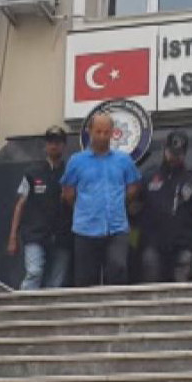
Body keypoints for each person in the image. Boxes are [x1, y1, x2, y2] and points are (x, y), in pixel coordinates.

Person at [61, 112, 141, 287]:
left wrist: (121, 203)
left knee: (118, 269)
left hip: (116, 228)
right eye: (98, 132)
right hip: (85, 229)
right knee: (86, 279)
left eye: (106, 132)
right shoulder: (76, 161)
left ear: (112, 133)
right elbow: (67, 192)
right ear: (89, 131)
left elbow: (133, 186)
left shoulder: (124, 160)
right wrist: (83, 208)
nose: (102, 136)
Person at [6, 126, 73, 290]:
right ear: (45, 145)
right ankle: (23, 303)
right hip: (35, 234)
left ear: (64, 146)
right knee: (34, 272)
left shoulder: (71, 172)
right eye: (50, 142)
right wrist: (13, 237)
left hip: (62, 235)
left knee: (56, 283)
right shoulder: (32, 172)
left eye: (57, 142)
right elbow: (20, 204)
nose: (54, 146)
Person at [136, 131, 192, 283]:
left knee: (180, 288)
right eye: (172, 153)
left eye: (179, 154)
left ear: (185, 154)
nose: (174, 157)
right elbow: (135, 206)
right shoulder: (149, 176)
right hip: (153, 244)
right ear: (165, 149)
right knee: (152, 286)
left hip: (182, 245)